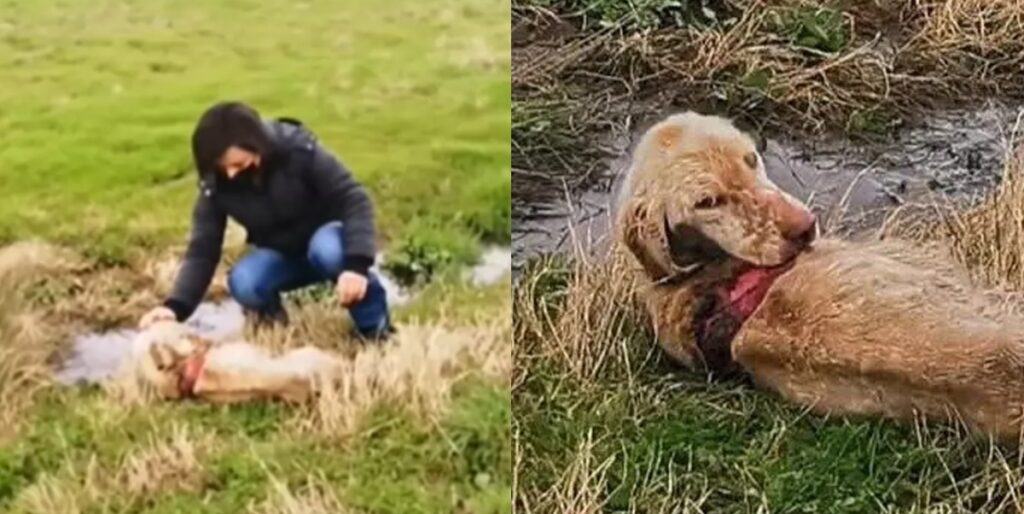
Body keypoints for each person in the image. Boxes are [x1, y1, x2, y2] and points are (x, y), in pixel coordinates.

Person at [138, 101, 393, 341]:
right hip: (284, 256)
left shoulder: (297, 149)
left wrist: (356, 265)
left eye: (237, 163)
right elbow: (202, 250)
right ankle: (277, 335)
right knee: (244, 282)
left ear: (257, 146)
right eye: (222, 166)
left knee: (327, 249)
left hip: (329, 245)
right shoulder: (216, 185)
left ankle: (376, 332)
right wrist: (175, 307)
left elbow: (353, 197)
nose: (230, 173)